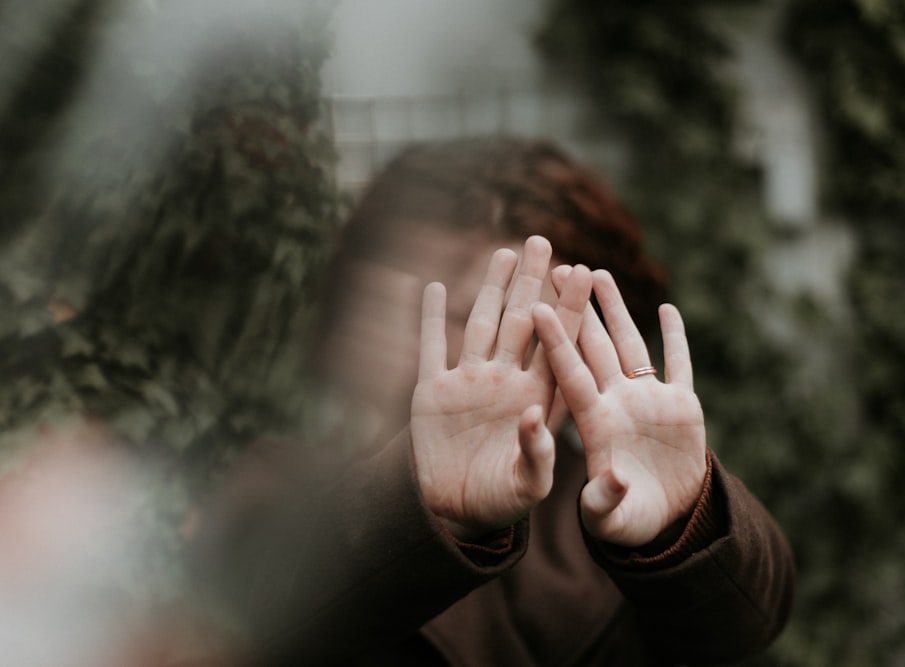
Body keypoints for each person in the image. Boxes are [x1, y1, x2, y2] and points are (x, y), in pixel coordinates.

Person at [190, 138, 795, 666]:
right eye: (463, 315)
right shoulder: (281, 483)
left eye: (542, 328)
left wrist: (685, 524)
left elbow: (745, 625)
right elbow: (257, 608)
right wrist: (429, 508)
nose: (502, 366)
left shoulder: (616, 507)